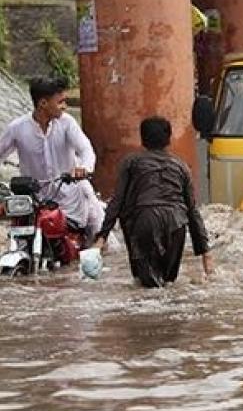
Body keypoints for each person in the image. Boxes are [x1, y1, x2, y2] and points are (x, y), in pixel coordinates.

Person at [93, 116, 213, 288]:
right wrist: (205, 252)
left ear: (142, 138)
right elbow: (192, 210)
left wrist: (101, 237)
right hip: (176, 224)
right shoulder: (181, 166)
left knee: (147, 287)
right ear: (169, 138)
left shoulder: (131, 163)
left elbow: (117, 201)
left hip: (144, 221)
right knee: (168, 285)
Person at [0, 76, 105, 241]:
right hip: (35, 200)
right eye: (60, 102)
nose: (65, 106)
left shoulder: (67, 123)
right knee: (19, 236)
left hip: (71, 196)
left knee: (98, 231)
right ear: (43, 103)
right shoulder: (17, 128)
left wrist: (84, 168)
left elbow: (86, 149)